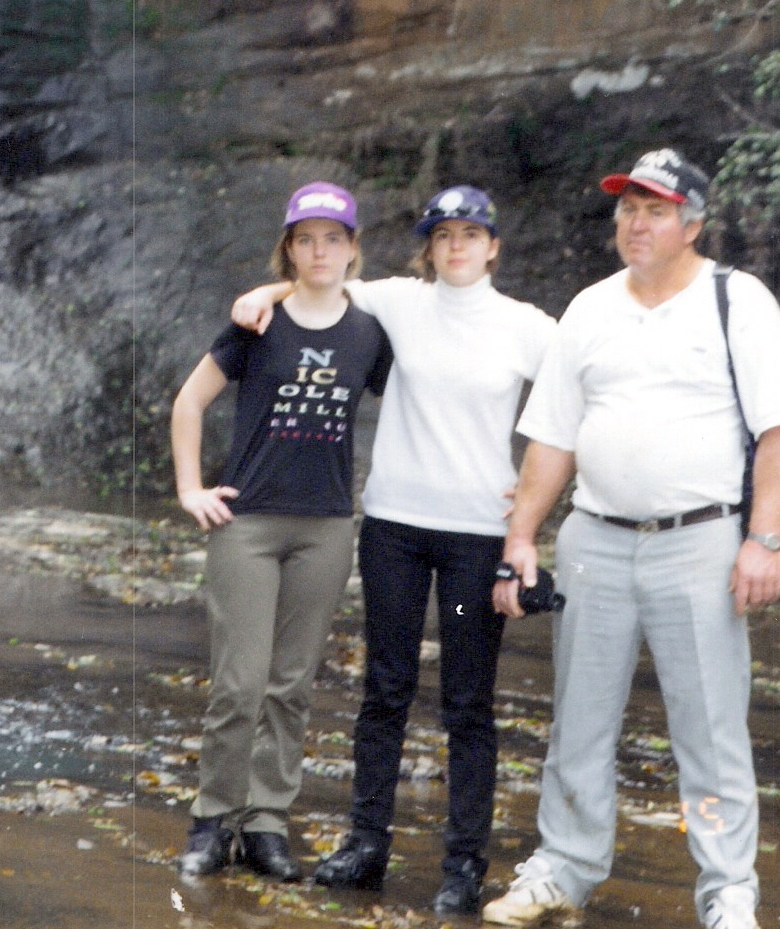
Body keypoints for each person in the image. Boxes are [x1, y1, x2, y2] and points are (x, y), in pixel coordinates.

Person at [484, 150, 780, 929]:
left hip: (700, 542)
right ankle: (561, 868)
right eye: (627, 208)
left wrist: (763, 539)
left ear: (690, 225)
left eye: (654, 210)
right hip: (593, 539)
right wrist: (520, 538)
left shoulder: (737, 300)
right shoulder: (589, 308)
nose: (635, 223)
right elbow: (552, 437)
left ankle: (727, 891)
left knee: (709, 730)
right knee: (578, 720)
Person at [230, 186, 555, 914]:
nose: (457, 246)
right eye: (443, 235)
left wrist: (537, 499)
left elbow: (576, 403)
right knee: (385, 687)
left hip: (475, 542)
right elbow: (320, 282)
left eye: (470, 234)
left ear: (493, 247)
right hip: (394, 532)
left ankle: (463, 864)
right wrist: (263, 293)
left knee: (467, 700)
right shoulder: (400, 303)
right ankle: (366, 843)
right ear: (429, 248)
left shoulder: (525, 326)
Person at [171, 182, 392, 883]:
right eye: (305, 239)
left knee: (291, 685)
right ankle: (213, 820)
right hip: (248, 525)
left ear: (352, 248)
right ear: (288, 249)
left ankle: (266, 823)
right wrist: (189, 488)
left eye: (333, 238)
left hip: (325, 527)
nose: (319, 251)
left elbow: (426, 400)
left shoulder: (370, 332)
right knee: (238, 684)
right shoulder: (257, 323)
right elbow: (189, 401)